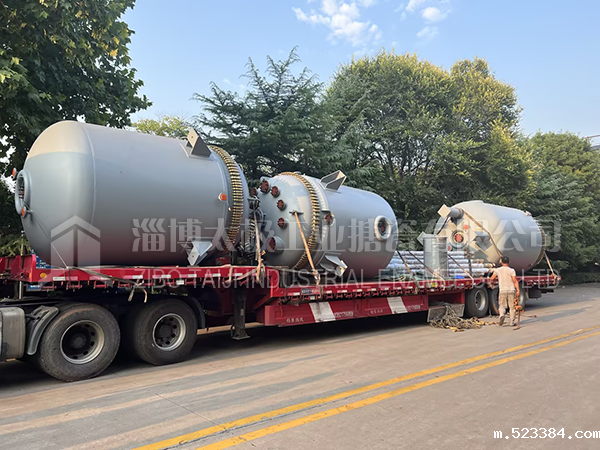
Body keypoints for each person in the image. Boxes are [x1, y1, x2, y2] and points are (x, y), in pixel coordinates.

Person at [490, 256, 520, 326]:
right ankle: (512, 322)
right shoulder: (511, 270)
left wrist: (492, 284)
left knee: (502, 305)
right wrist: (518, 290)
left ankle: (502, 315)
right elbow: (514, 280)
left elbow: (492, 279)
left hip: (502, 290)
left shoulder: (497, 270)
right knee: (512, 307)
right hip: (511, 290)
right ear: (508, 262)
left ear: (501, 262)